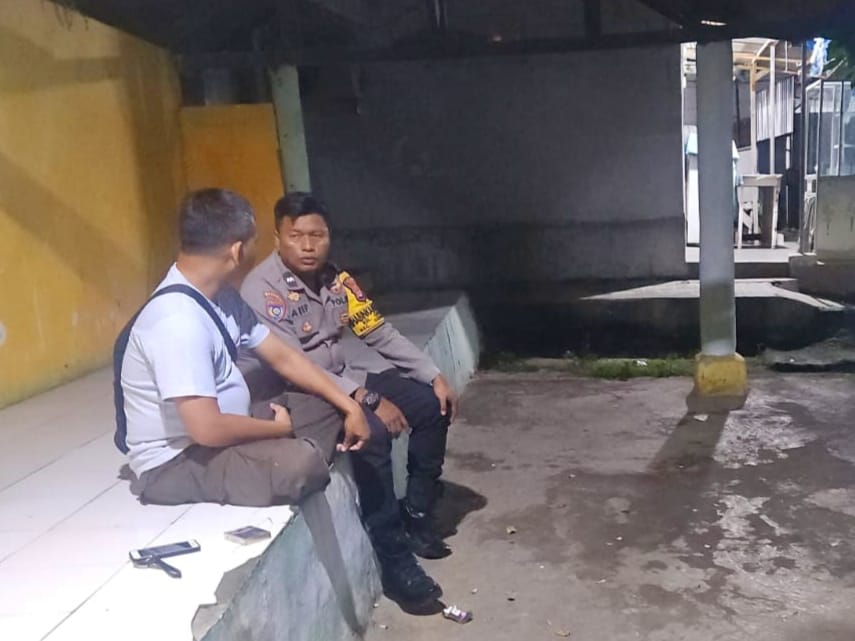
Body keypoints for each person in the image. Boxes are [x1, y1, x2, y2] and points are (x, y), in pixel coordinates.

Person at [118, 188, 441, 606]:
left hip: (225, 427)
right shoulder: (177, 321)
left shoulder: (220, 298)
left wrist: (350, 404)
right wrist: (276, 429)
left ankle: (394, 551)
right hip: (177, 461)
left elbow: (286, 358)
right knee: (301, 465)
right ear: (237, 250)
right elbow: (207, 429)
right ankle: (392, 554)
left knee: (361, 420)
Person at [240, 192, 458, 562]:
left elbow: (377, 331)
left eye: (317, 235)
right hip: (296, 395)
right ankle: (390, 545)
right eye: (296, 236)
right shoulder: (262, 289)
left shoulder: (336, 280)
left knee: (430, 405)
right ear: (277, 239)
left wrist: (433, 374)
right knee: (373, 430)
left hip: (341, 379)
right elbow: (294, 365)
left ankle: (417, 513)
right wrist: (366, 398)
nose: (308, 246)